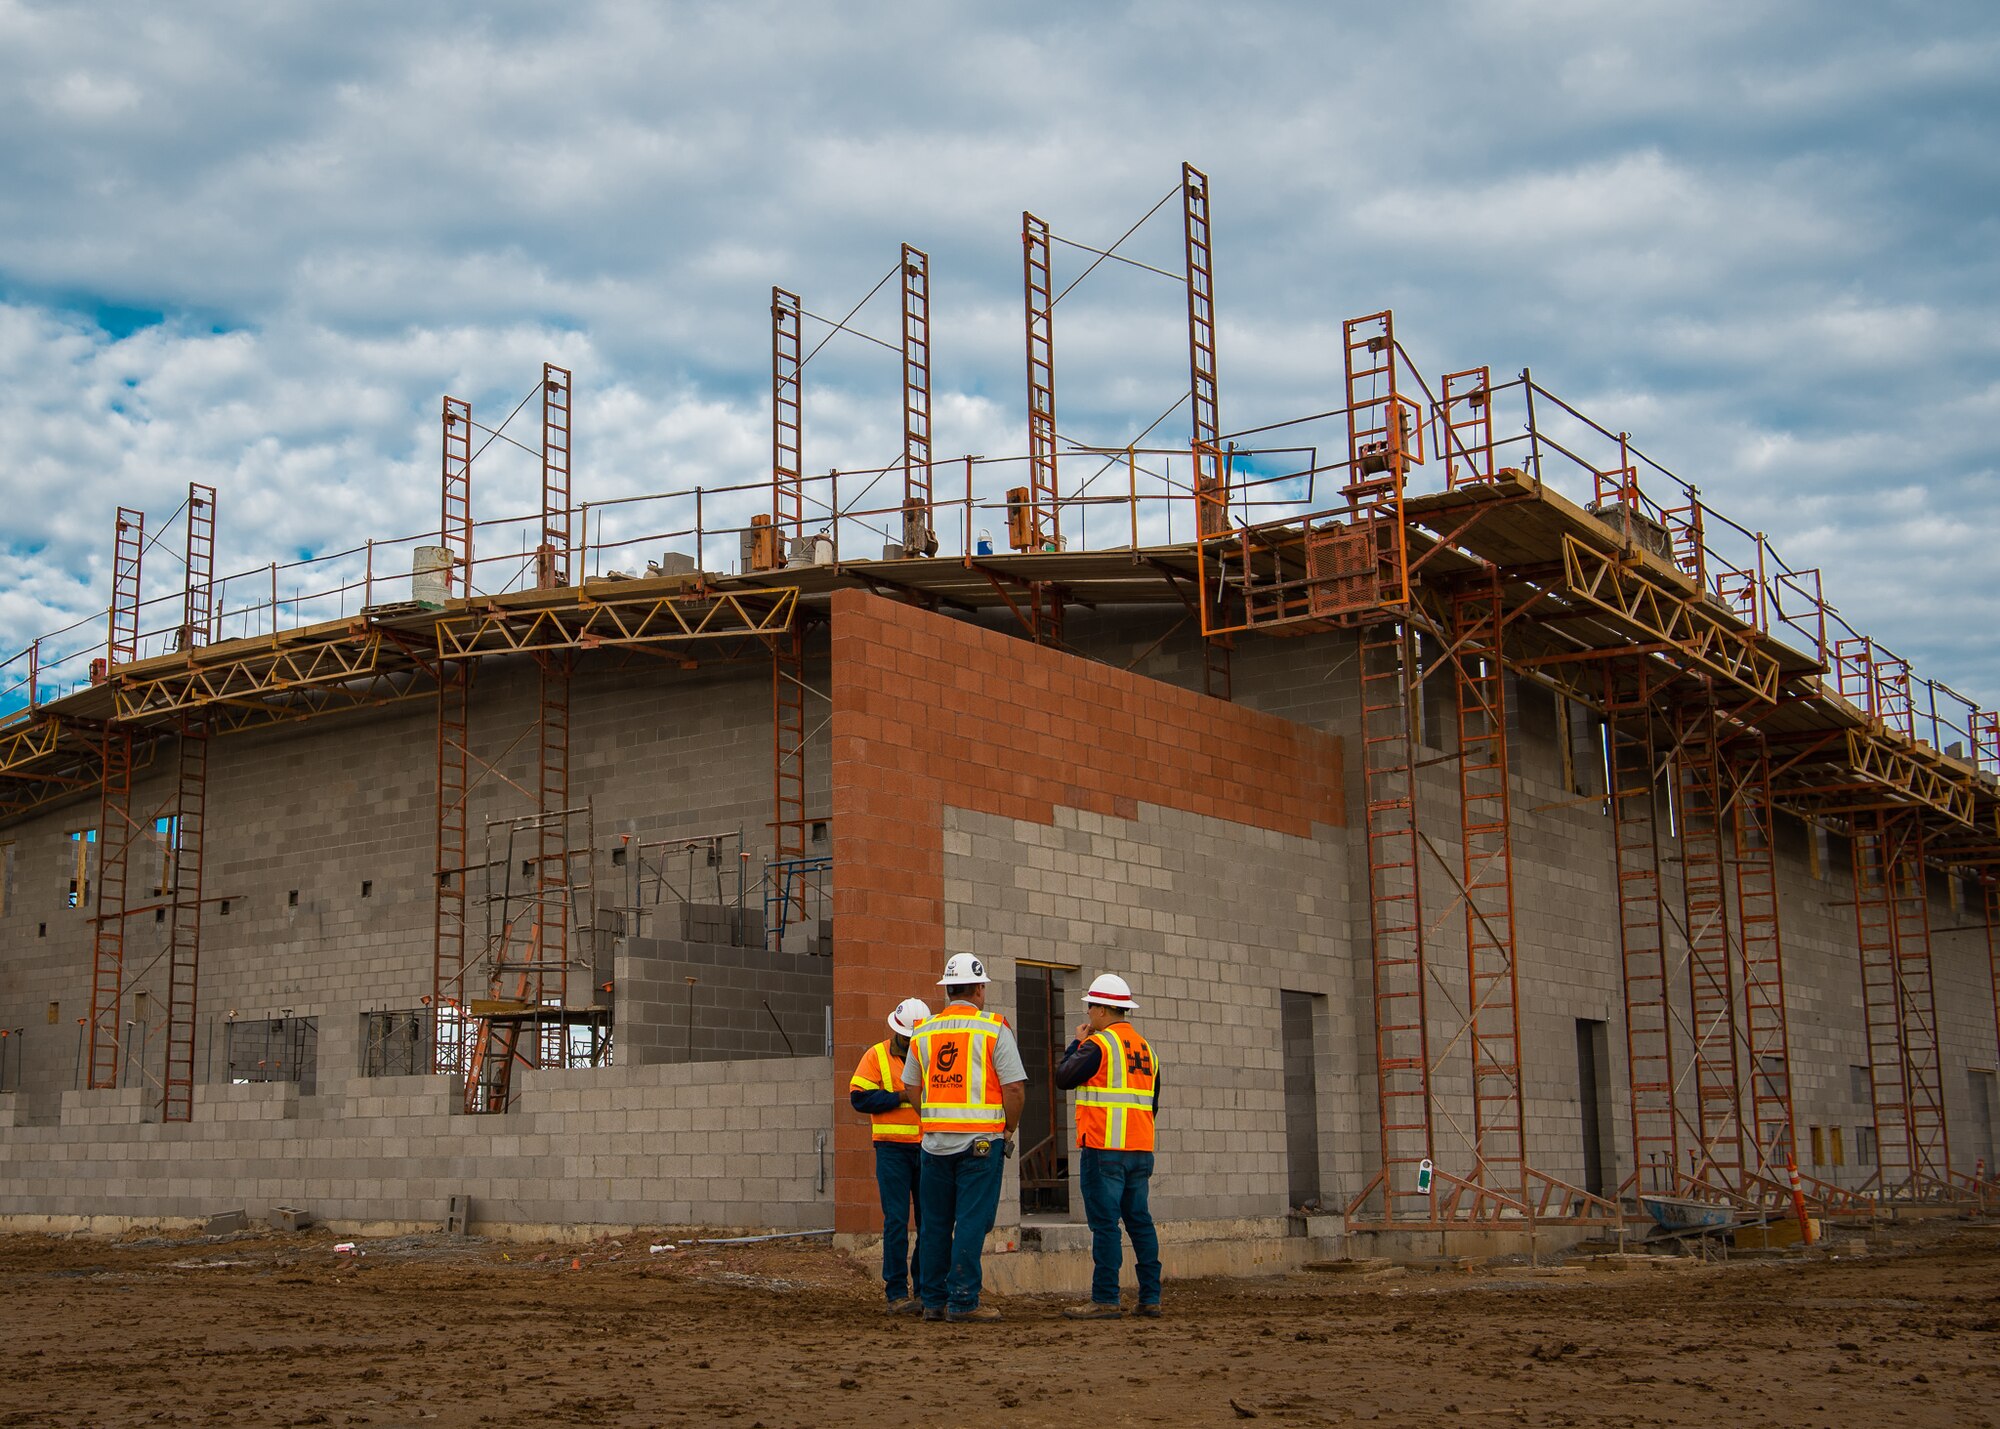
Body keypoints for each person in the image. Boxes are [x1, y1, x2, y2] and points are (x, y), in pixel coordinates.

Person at [902, 953, 1026, 1322]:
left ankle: (934, 1302)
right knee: (971, 1221)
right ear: (979, 989)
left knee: (935, 1223)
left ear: (947, 989)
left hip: (934, 1144)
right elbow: (1015, 1089)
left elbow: (910, 1084)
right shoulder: (993, 1028)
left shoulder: (923, 1031)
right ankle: (963, 1301)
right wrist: (1009, 1129)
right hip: (981, 1144)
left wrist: (929, 1117)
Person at [1055, 972, 1162, 1320]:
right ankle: (1150, 1297)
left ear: (1103, 1010)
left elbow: (1063, 1077)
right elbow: (1151, 1104)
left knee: (1105, 1226)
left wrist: (1076, 1043)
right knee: (1140, 1223)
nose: (1088, 1015)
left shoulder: (1099, 1046)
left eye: (1090, 1008)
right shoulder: (1147, 1050)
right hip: (1140, 1150)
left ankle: (1105, 1298)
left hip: (1104, 1150)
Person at [849, 996, 931, 1313]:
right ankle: (896, 1293)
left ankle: (925, 1291)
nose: (911, 1043)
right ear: (897, 1031)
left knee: (929, 1222)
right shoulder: (877, 1056)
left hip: (927, 1148)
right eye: (908, 1038)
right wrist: (901, 1096)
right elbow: (859, 1098)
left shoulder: (932, 1055)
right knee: (896, 1222)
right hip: (892, 1150)